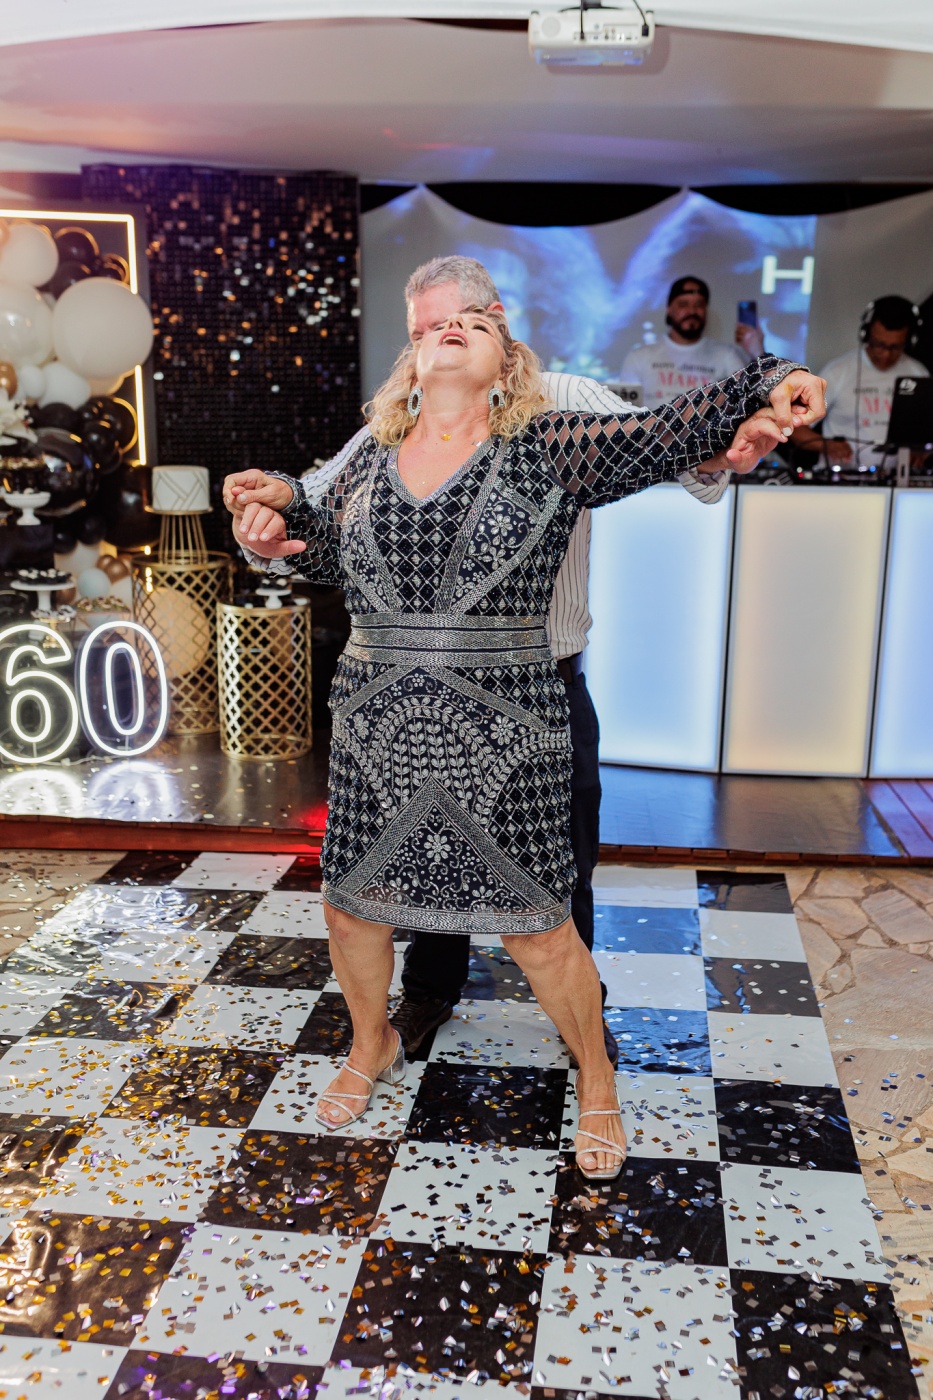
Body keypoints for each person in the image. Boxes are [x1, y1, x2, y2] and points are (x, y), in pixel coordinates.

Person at [224, 294, 824, 1181]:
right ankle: (371, 1041)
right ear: (411, 362)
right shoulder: (370, 458)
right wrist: (268, 523)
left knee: (541, 926)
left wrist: (770, 378)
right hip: (374, 722)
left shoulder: (548, 442)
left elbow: (667, 431)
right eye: (435, 327)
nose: (451, 329)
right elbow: (317, 545)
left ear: (506, 359)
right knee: (352, 908)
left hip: (507, 727)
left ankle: (595, 1074)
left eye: (474, 324)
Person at [269, 257, 735, 1072]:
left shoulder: (565, 402)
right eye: (421, 332)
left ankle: (581, 1024)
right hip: (408, 696)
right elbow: (315, 501)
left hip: (537, 685)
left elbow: (676, 455)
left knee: (561, 872)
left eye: (454, 322)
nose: (436, 339)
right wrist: (271, 505)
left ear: (497, 322)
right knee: (424, 866)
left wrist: (727, 441)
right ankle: (428, 995)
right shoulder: (397, 424)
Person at [791, 295, 928, 472]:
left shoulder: (918, 373)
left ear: (910, 341)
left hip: (898, 480)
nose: (886, 354)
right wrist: (827, 445)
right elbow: (796, 427)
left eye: (895, 347)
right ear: (866, 334)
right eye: (878, 344)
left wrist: (921, 451)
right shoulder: (838, 372)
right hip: (842, 479)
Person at [621, 275, 763, 410]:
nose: (692, 311)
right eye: (683, 304)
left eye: (699, 304)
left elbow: (752, 399)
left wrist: (757, 352)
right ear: (669, 310)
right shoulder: (639, 357)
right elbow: (625, 413)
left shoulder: (726, 355)